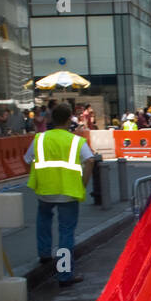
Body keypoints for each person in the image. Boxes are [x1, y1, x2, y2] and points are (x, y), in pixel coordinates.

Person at [24, 101, 94, 287]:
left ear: (51, 119)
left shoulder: (39, 138)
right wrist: (82, 184)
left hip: (45, 190)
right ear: (69, 118)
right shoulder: (75, 140)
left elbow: (27, 160)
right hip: (68, 192)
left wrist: (39, 175)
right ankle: (64, 274)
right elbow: (90, 161)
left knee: (43, 221)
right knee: (66, 232)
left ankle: (44, 254)